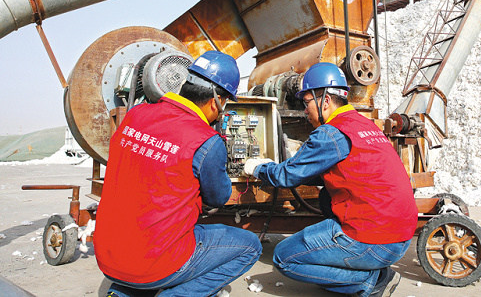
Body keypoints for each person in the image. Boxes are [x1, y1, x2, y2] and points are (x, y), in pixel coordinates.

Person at [94, 50, 262, 297]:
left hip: (107, 257)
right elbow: (218, 197)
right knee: (250, 247)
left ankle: (121, 292)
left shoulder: (134, 115)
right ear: (217, 101)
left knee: (146, 249)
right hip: (155, 262)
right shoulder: (206, 141)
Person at [244, 62, 418, 297]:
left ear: (325, 100)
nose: (305, 111)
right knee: (327, 196)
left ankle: (370, 280)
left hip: (376, 241)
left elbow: (287, 176)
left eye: (306, 102)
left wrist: (259, 168)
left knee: (284, 258)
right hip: (401, 236)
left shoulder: (331, 133)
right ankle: (364, 264)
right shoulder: (364, 125)